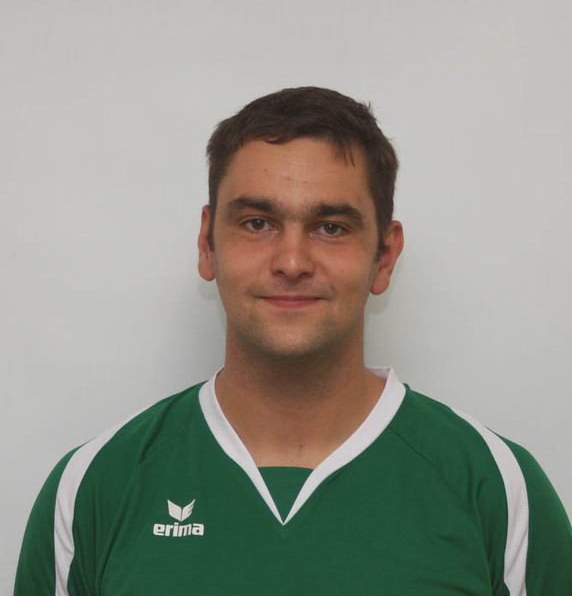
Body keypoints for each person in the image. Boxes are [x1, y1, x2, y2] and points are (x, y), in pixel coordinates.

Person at [15, 87, 572, 596]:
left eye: (331, 227)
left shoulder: (499, 488)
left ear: (385, 256)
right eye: (257, 223)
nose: (291, 262)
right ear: (207, 244)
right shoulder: (93, 487)